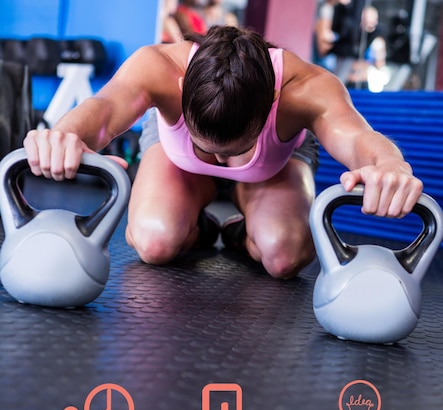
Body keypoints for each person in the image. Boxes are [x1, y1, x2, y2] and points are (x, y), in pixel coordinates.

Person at [23, 25, 423, 280]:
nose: (216, 159)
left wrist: (388, 166)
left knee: (284, 257)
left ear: (273, 102)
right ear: (181, 88)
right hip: (177, 163)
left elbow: (356, 137)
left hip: (272, 169)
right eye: (205, 146)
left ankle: (240, 229)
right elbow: (106, 108)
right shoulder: (157, 66)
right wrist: (64, 136)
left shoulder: (307, 88)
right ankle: (195, 226)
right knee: (154, 242)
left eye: (237, 148)